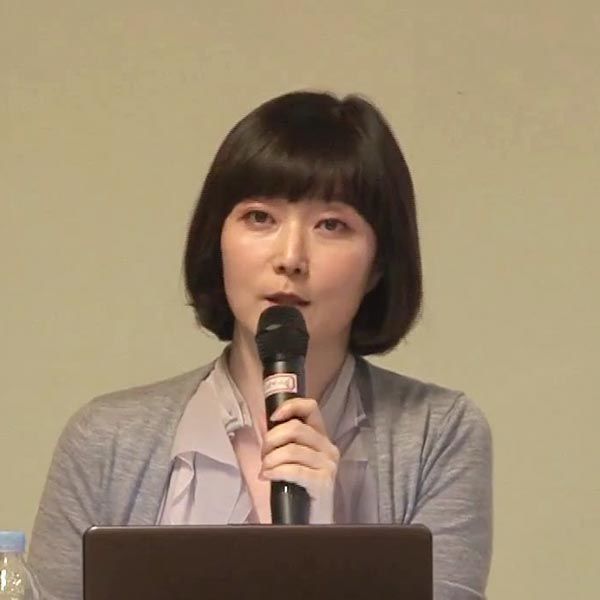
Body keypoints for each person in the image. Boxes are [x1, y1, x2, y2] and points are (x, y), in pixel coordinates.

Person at [29, 90, 492, 599]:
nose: (290, 257)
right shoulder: (106, 439)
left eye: (331, 225)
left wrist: (324, 546)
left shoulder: (437, 435)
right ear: (218, 239)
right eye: (259, 218)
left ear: (378, 264)